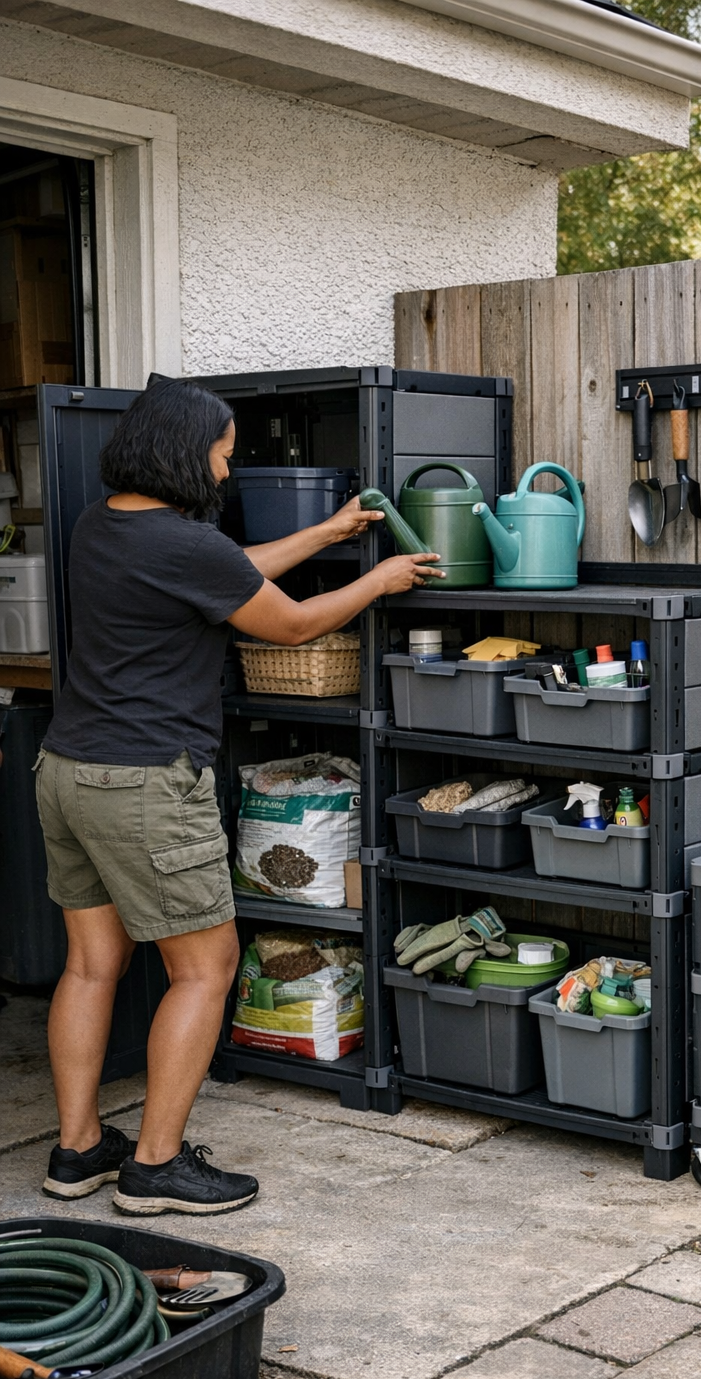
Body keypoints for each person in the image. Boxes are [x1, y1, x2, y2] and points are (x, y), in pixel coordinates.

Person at [34, 376, 442, 1215]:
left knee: (90, 964)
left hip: (67, 770)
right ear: (185, 454)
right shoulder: (187, 544)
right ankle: (155, 1167)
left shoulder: (102, 523)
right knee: (205, 969)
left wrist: (325, 532)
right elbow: (289, 623)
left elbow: (228, 576)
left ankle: (77, 1152)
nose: (227, 472)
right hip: (146, 783)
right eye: (222, 456)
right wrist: (379, 580)